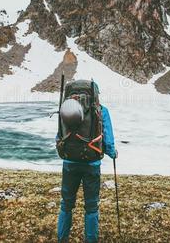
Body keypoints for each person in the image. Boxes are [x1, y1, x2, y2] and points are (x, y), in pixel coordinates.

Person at [56, 101, 117, 243]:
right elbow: (107, 136)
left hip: (70, 162)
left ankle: (62, 239)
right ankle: (91, 240)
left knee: (66, 204)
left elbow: (60, 133)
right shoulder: (101, 110)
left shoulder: (66, 107)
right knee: (91, 206)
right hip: (91, 163)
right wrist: (112, 152)